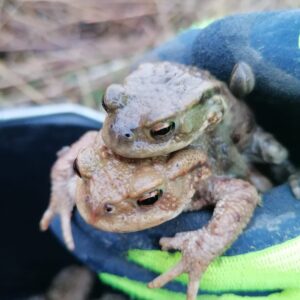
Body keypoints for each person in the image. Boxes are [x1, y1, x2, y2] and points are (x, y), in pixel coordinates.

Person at [51, 10, 300, 299]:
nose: (96, 204)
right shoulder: (109, 142)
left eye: (149, 197)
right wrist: (62, 189)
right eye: (83, 170)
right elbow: (83, 149)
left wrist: (205, 244)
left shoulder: (200, 169)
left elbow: (242, 191)